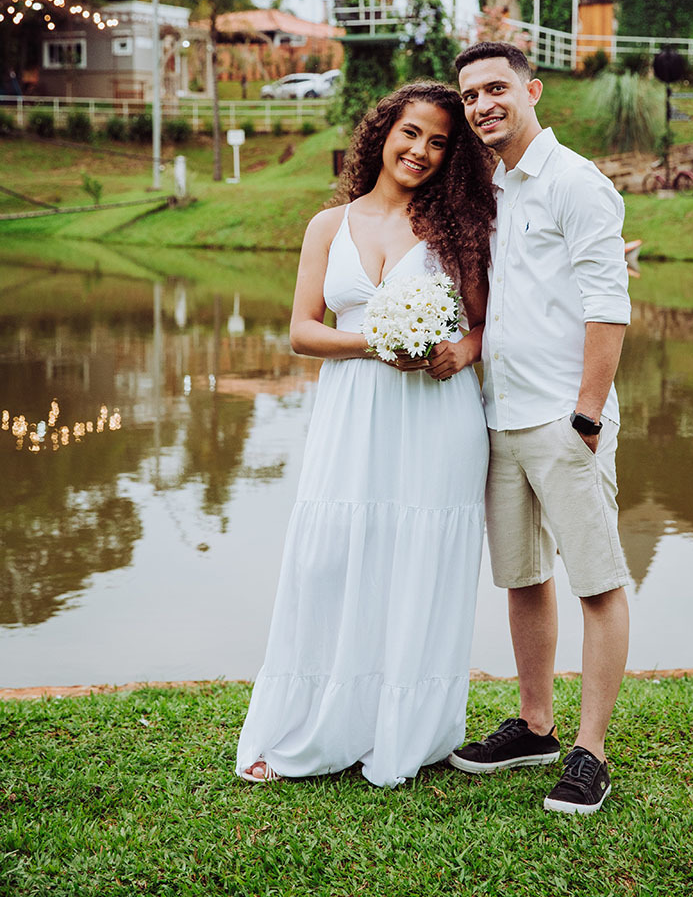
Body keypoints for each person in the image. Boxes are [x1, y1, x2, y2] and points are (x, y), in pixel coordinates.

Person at [236, 80, 495, 788]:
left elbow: (484, 324)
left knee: (419, 562)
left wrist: (461, 351)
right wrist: (377, 344)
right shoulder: (329, 225)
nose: (421, 151)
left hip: (437, 418)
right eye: (411, 132)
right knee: (332, 559)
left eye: (439, 142)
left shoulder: (458, 228)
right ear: (383, 132)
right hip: (352, 415)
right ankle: (311, 727)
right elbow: (302, 331)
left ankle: (406, 732)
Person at [448, 41, 632, 815]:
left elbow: (608, 305)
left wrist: (586, 414)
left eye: (496, 88)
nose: (482, 105)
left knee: (597, 582)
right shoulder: (492, 188)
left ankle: (591, 751)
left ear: (534, 91)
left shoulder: (575, 182)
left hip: (564, 420)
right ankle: (535, 726)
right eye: (470, 96)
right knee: (524, 578)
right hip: (501, 418)